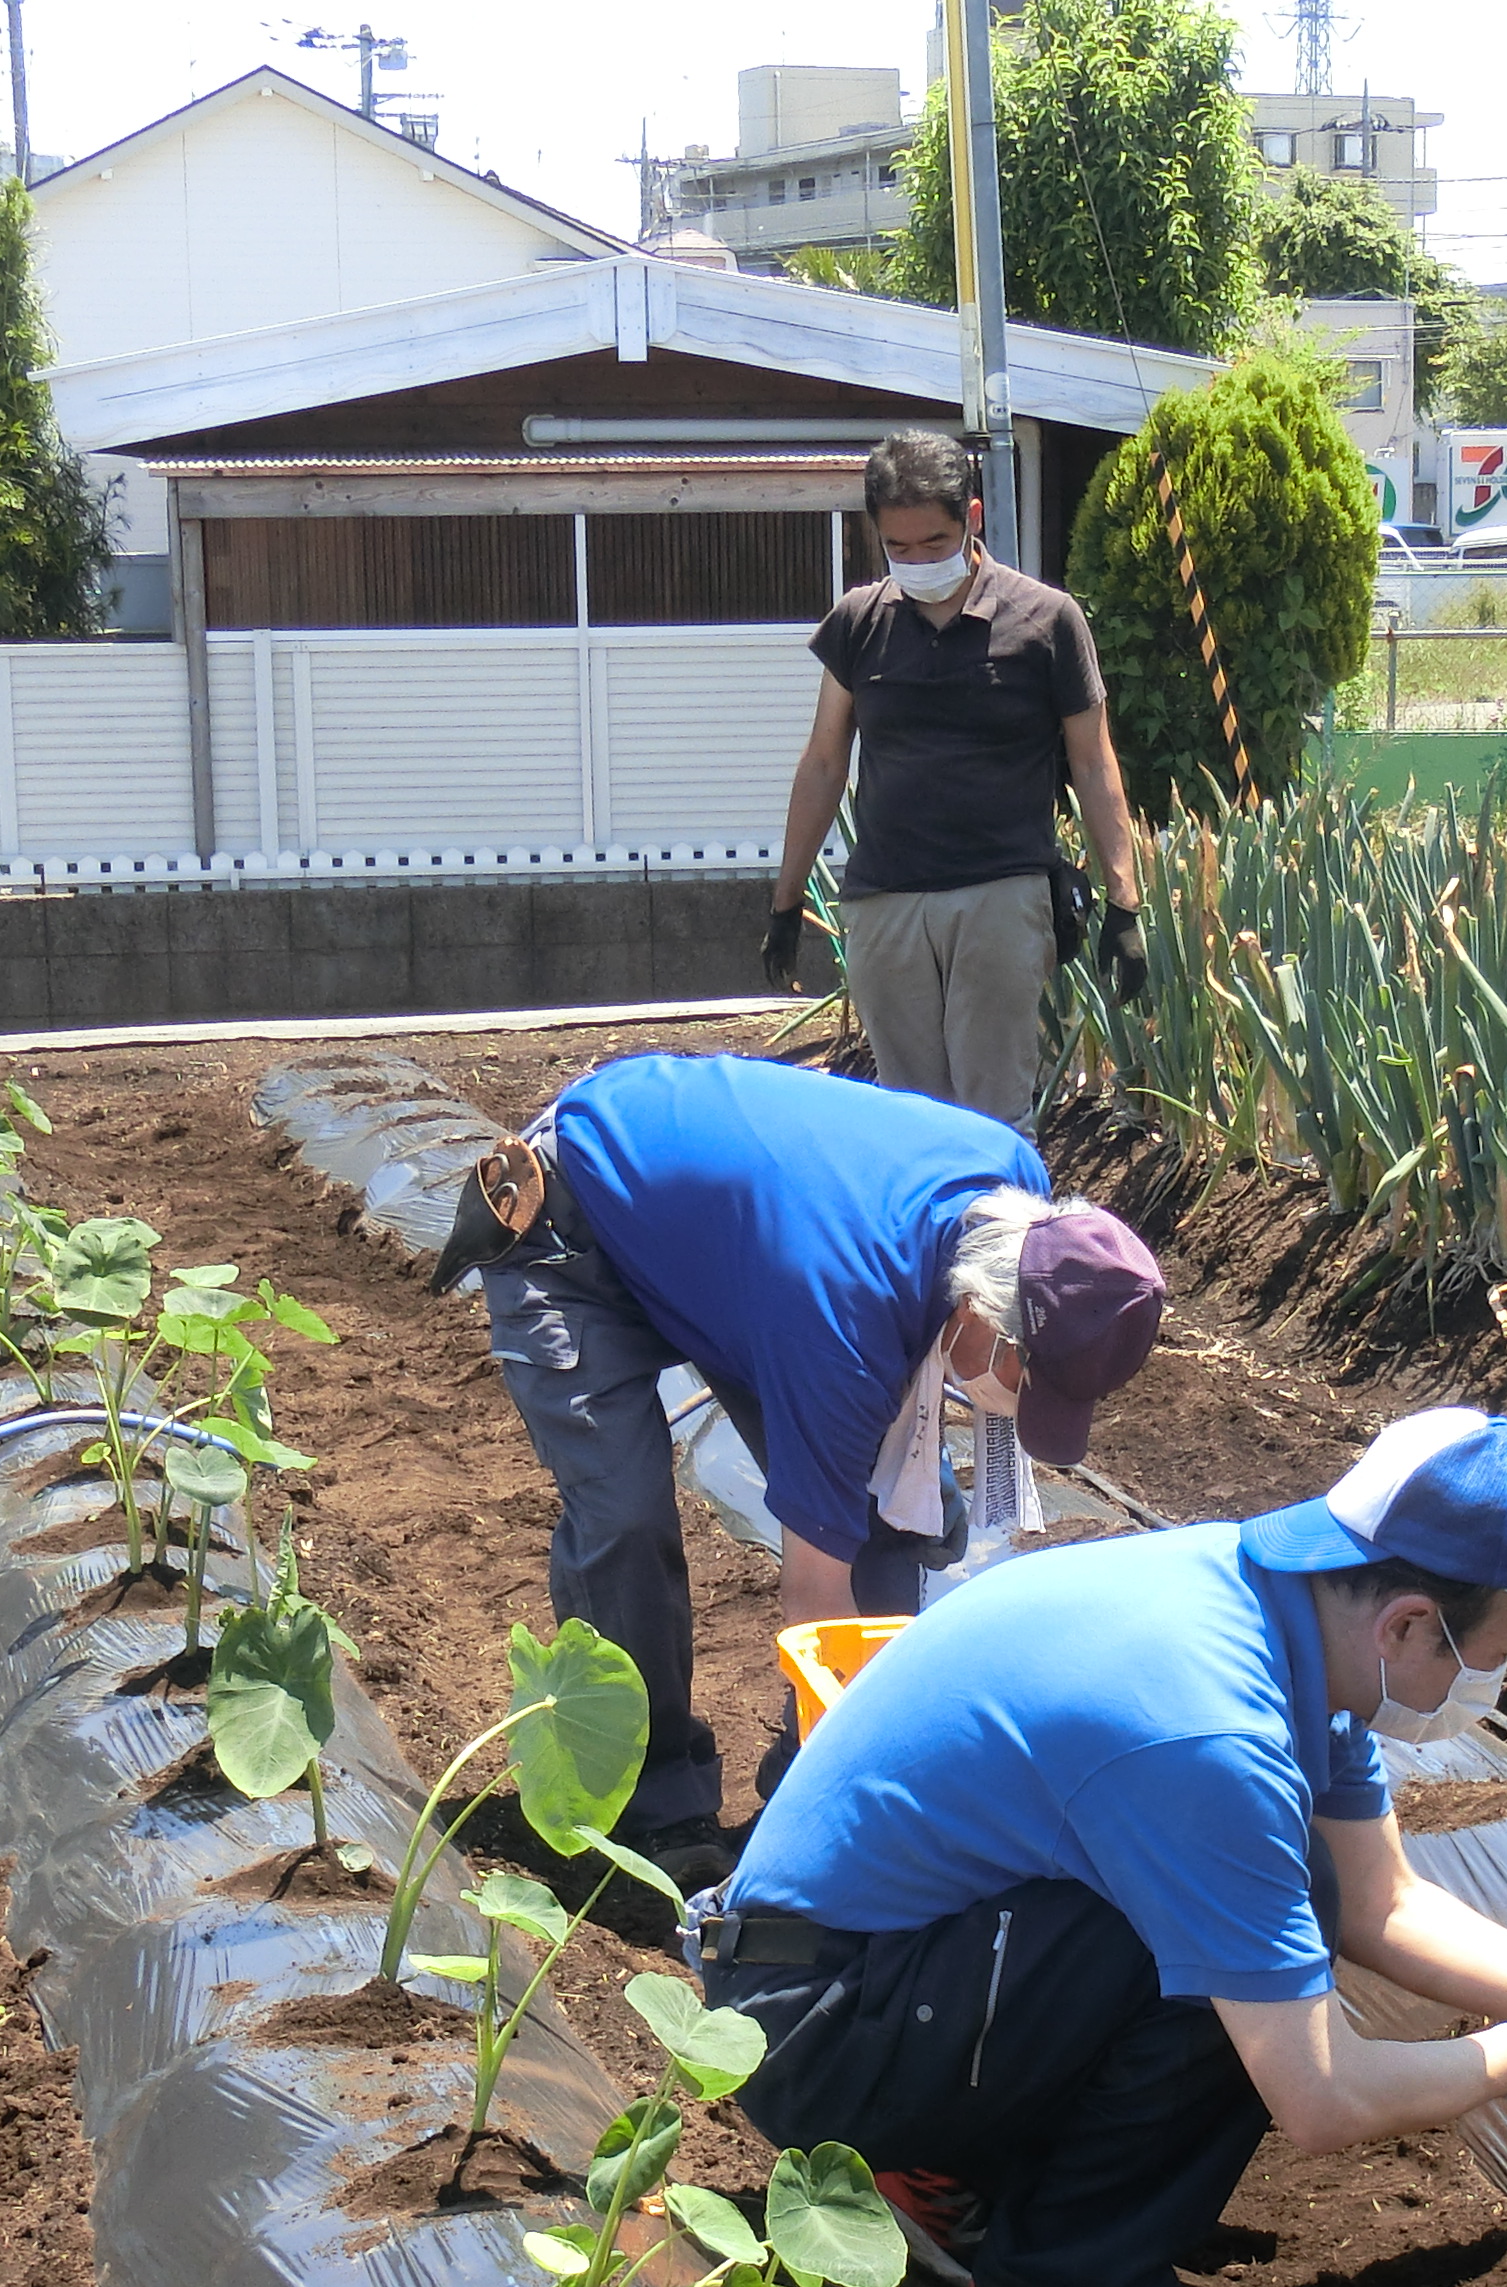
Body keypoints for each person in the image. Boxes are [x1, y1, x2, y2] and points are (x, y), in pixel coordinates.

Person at [691, 1407, 1507, 2287]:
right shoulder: (1212, 1730)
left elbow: (1383, 1903)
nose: (1495, 1683)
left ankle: (941, 2169)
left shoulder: (1283, 1614)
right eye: (1499, 1649)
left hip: (862, 1970)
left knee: (1277, 1900)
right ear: (1409, 1622)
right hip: (812, 2030)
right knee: (1254, 1940)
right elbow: (1321, 2098)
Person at [475, 1049, 1164, 1885]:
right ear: (981, 1311)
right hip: (575, 1226)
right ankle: (653, 1808)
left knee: (898, 1517)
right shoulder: (842, 1322)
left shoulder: (1016, 1192)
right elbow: (815, 1601)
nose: (1011, 1407)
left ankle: (812, 1777)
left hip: (735, 1254)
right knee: (623, 1515)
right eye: (1024, 1381)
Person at [765, 428, 1150, 1126]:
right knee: (911, 1126)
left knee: (994, 1117)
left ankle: (1005, 1238)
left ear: (972, 519)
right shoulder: (858, 623)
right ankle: (928, 1241)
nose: (917, 561)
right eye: (899, 548)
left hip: (1001, 894)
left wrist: (1124, 903)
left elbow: (1094, 763)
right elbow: (824, 762)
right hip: (885, 901)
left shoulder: (1046, 620)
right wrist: (786, 900)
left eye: (935, 544)